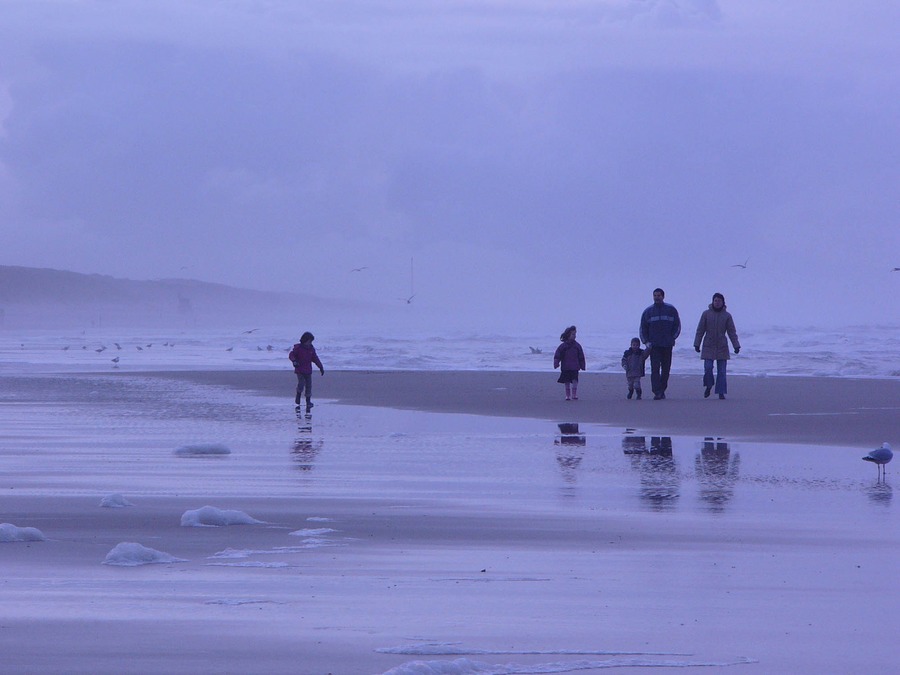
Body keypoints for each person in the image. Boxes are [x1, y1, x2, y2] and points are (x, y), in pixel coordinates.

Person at [693, 292, 740, 399]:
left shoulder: (727, 316)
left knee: (722, 371)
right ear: (712, 301)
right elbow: (700, 330)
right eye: (715, 300)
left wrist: (736, 345)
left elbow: (732, 332)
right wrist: (697, 343)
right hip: (708, 345)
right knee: (708, 368)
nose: (717, 303)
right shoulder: (706, 314)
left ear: (723, 302)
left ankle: (721, 392)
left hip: (722, 346)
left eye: (719, 301)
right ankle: (709, 385)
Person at [639, 288, 681, 400]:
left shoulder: (671, 310)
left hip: (667, 345)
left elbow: (677, 326)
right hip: (654, 345)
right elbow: (643, 328)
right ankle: (657, 391)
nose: (657, 297)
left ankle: (662, 389)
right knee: (655, 369)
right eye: (655, 295)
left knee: (666, 369)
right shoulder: (648, 311)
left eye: (659, 295)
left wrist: (672, 338)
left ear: (663, 296)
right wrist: (646, 342)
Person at [289, 331, 325, 409]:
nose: (310, 343)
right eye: (309, 341)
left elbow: (315, 359)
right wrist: (294, 361)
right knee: (301, 384)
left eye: (311, 341)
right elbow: (291, 355)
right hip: (300, 370)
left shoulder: (311, 349)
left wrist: (321, 367)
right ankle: (298, 395)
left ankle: (308, 401)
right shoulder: (298, 348)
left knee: (309, 386)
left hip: (308, 371)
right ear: (304, 340)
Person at [553, 325, 586, 401]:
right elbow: (557, 355)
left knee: (575, 380)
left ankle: (574, 394)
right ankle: (568, 395)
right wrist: (556, 363)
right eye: (573, 334)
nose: (575, 336)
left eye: (575, 334)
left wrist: (582, 365)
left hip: (575, 367)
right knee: (567, 381)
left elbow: (581, 356)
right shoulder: (563, 346)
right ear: (568, 335)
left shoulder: (577, 346)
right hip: (566, 367)